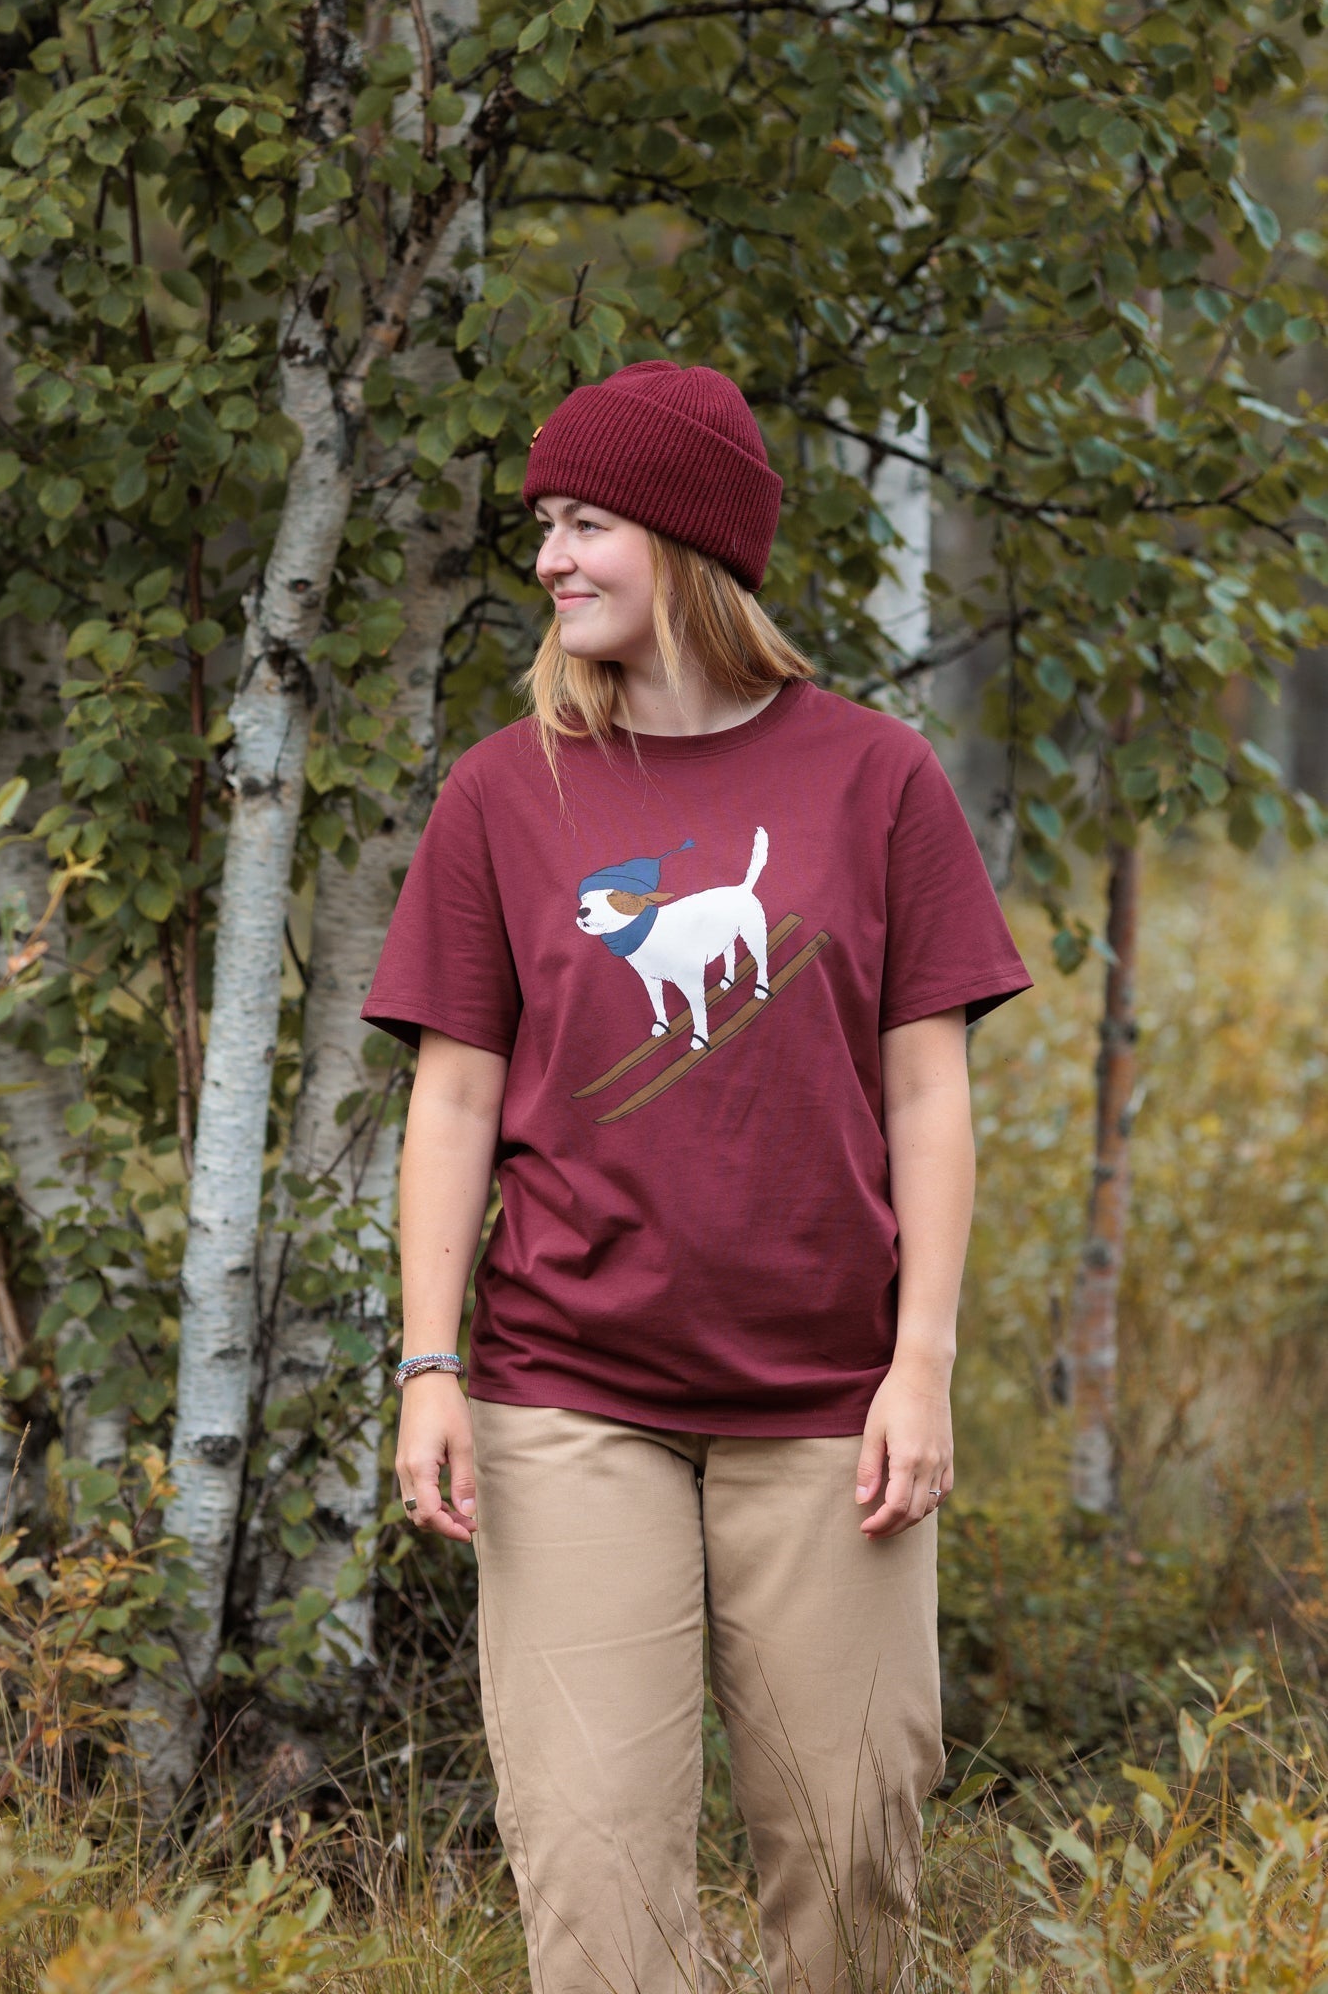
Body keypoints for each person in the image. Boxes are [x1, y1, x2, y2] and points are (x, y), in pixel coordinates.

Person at [361, 359, 1034, 1994]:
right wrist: (430, 1363)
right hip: (567, 1394)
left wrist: (921, 1366)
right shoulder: (505, 791)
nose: (548, 558)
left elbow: (927, 1094)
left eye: (585, 523)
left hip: (826, 1406)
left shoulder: (875, 778)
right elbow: (454, 1099)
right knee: (595, 1879)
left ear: (688, 540)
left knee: (851, 1866)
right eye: (544, 525)